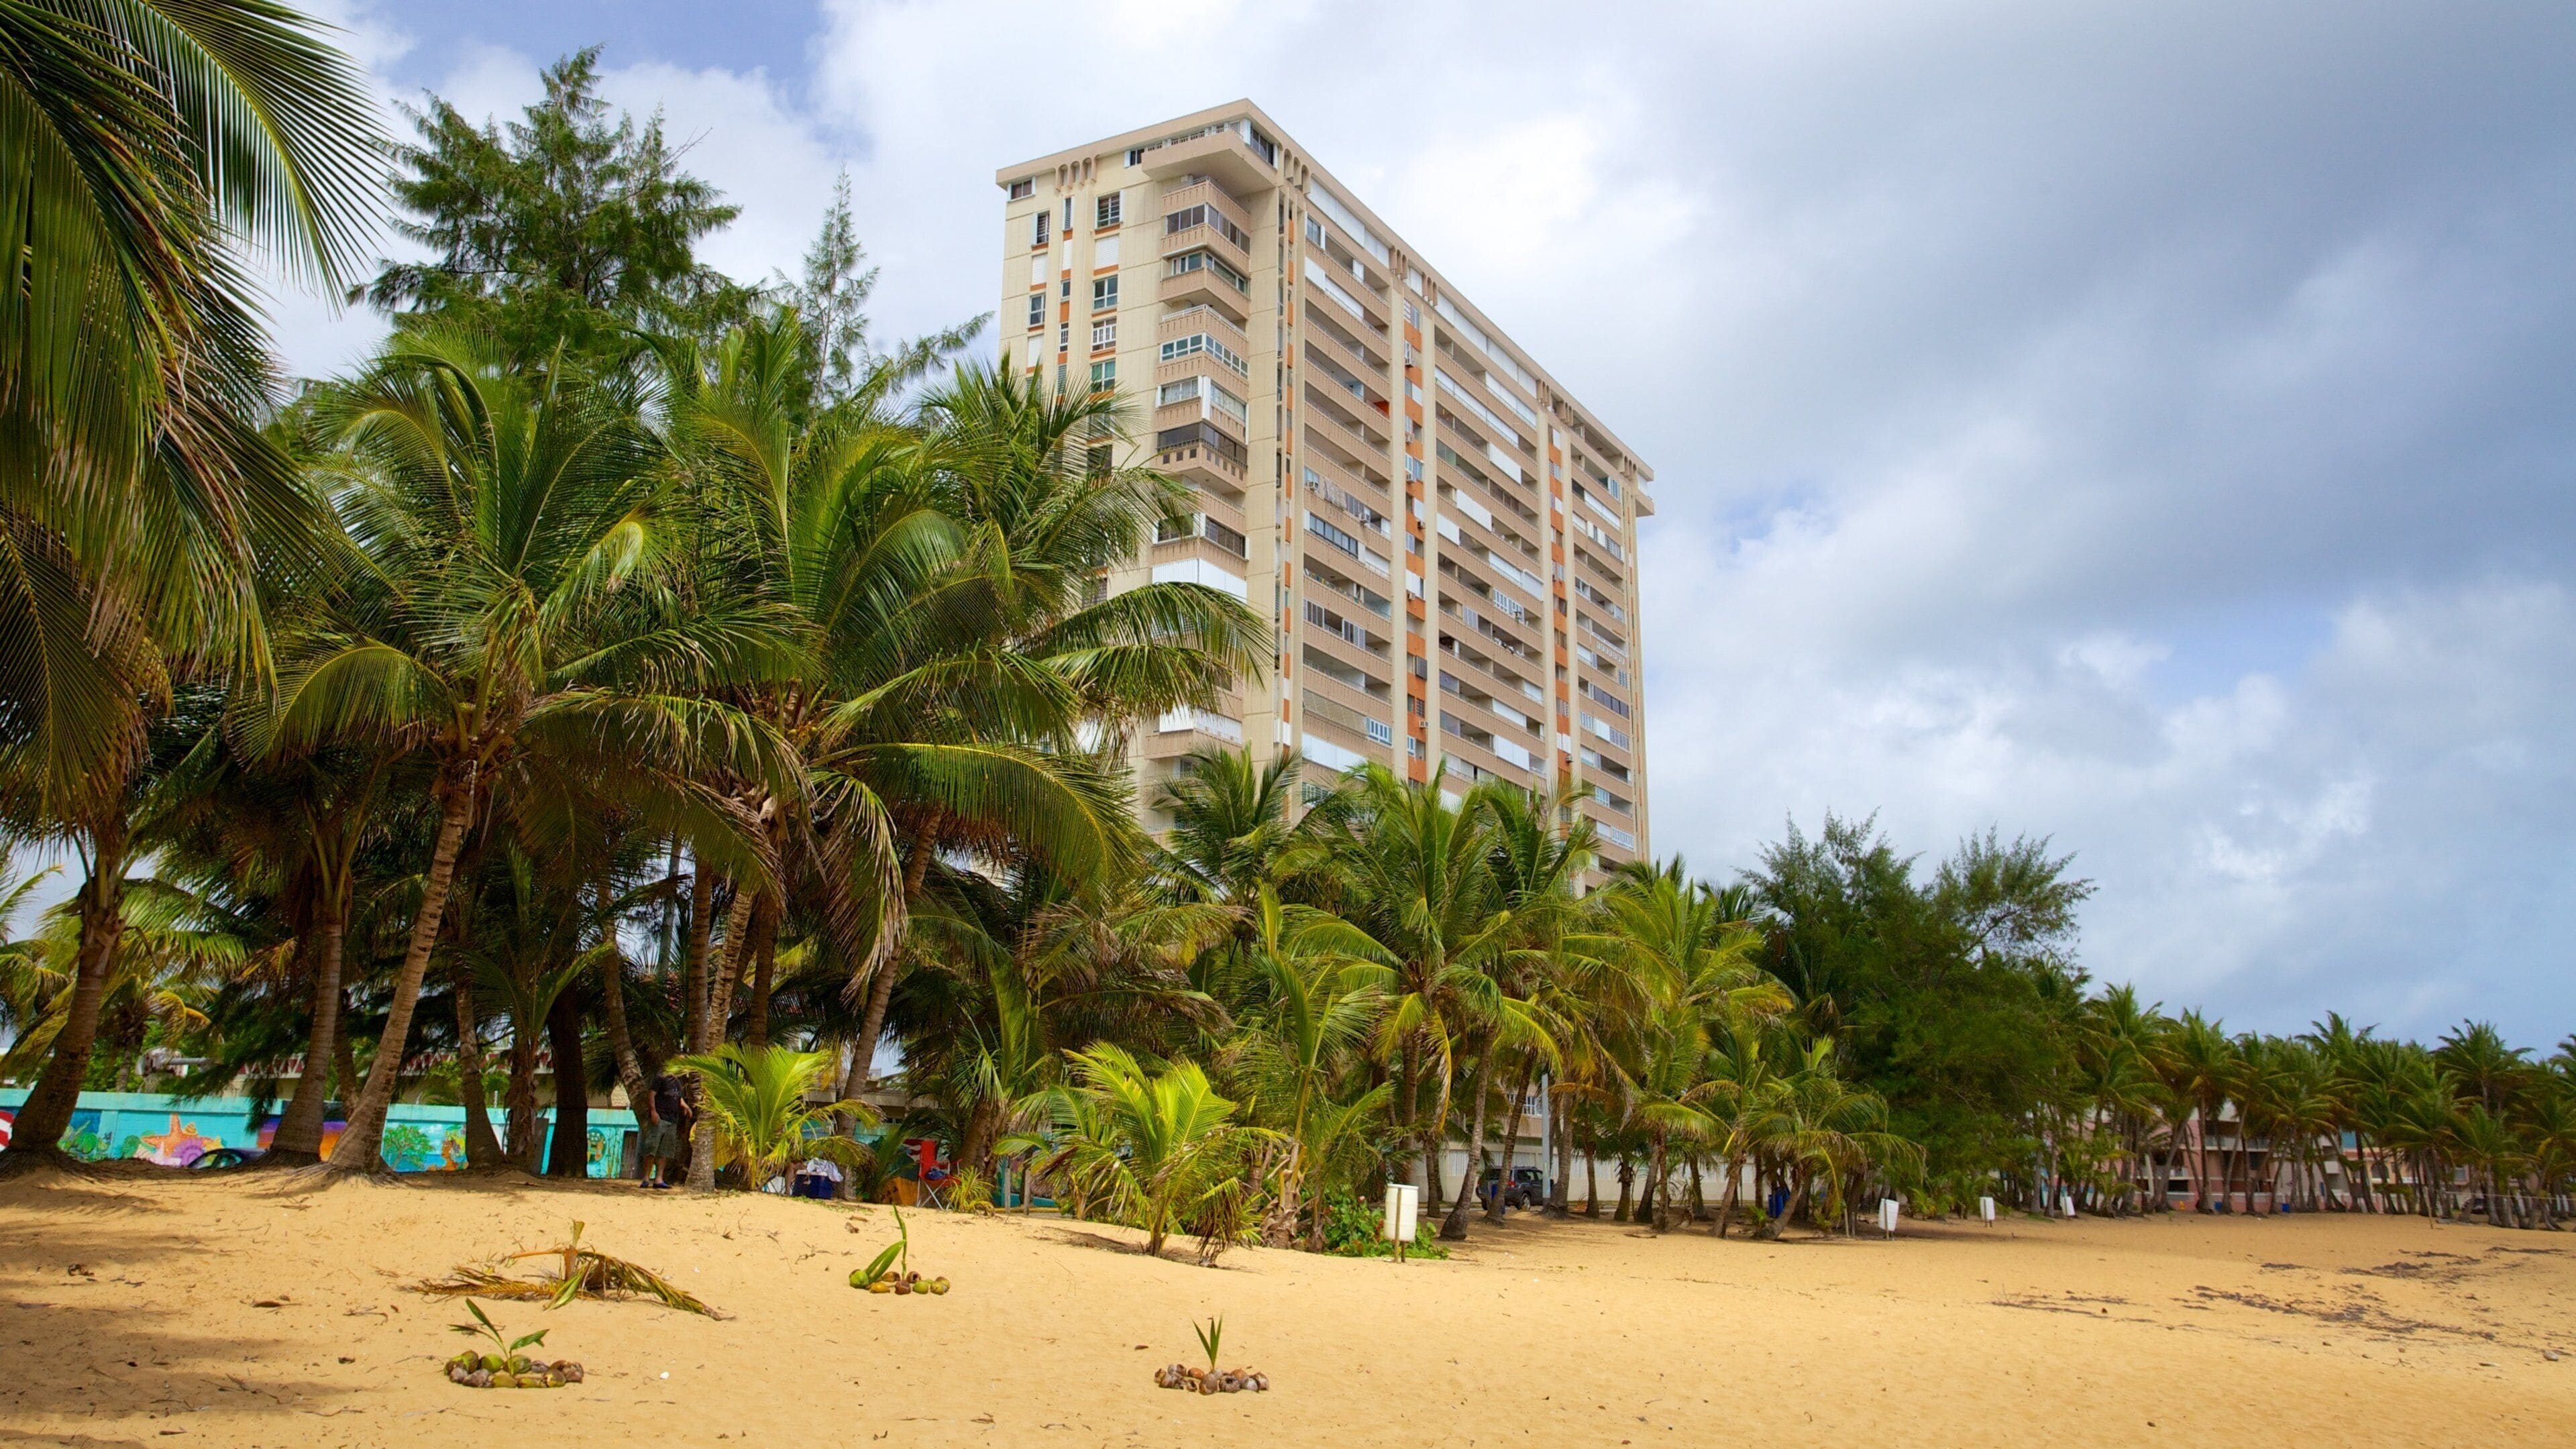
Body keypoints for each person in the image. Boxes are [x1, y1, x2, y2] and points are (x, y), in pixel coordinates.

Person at [639, 1073, 691, 1189]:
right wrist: (653, 1112)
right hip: (659, 1118)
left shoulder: (678, 1082)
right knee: (652, 1149)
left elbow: (678, 1098)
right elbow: (651, 1094)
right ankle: (646, 1178)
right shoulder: (660, 1078)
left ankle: (659, 1179)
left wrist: (685, 1106)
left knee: (664, 1152)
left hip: (672, 1120)